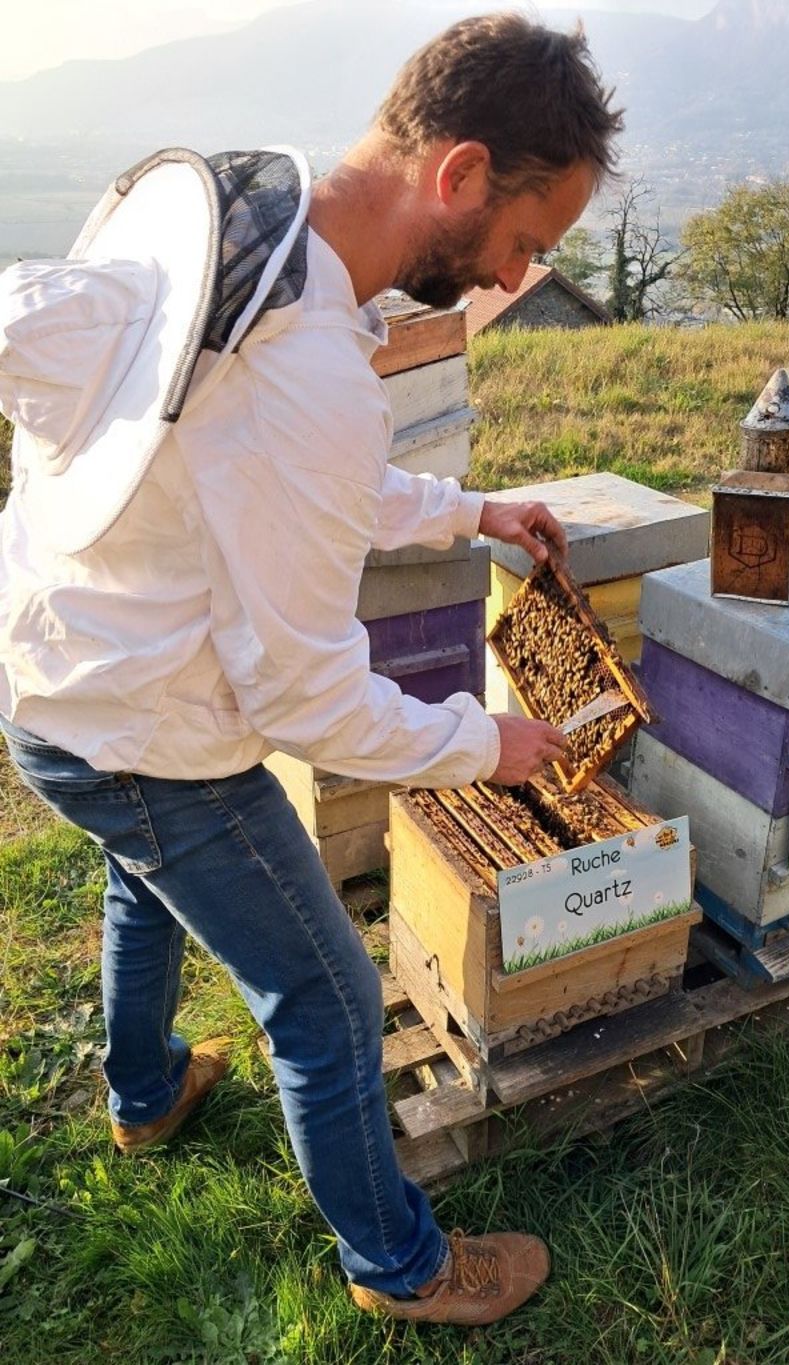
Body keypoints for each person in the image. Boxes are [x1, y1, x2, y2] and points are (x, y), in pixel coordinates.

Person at [0, 13, 622, 1329]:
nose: (525, 271)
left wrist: (472, 510)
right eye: (529, 239)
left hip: (59, 677)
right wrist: (488, 743)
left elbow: (278, 481)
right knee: (330, 992)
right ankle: (401, 1265)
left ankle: (143, 1089)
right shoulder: (311, 369)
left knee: (141, 882)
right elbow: (304, 702)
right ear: (457, 173)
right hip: (148, 722)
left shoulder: (263, 202)